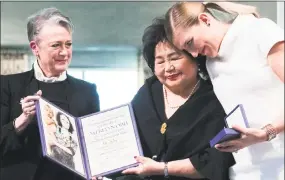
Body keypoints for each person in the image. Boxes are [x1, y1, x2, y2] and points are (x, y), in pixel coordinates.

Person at [164, 2, 284, 180]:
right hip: (247, 169)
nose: (194, 53)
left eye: (190, 42)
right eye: (186, 49)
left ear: (205, 19)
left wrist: (267, 132)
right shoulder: (211, 64)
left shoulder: (257, 30)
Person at [121, 17, 235, 180]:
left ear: (195, 57)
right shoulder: (148, 92)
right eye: (160, 61)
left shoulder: (215, 100)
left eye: (175, 58)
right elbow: (126, 141)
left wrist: (164, 168)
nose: (168, 68)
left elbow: (217, 161)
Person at [0, 7, 100, 180]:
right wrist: (21, 121)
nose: (64, 52)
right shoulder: (8, 85)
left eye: (68, 44)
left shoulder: (87, 91)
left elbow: (94, 147)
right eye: (56, 45)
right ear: (35, 47)